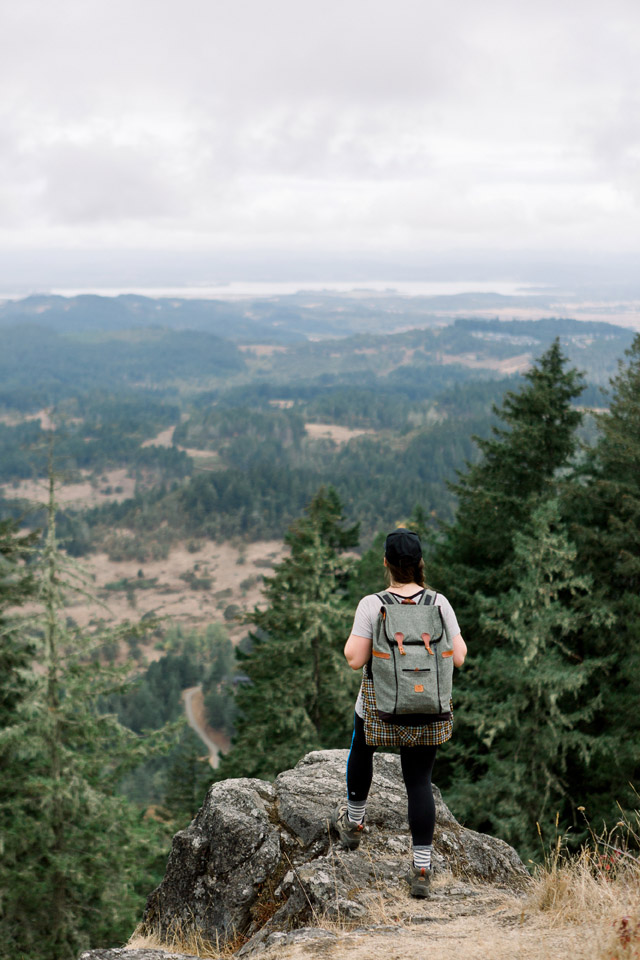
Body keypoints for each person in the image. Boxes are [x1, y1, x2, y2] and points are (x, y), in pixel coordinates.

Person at [331, 528, 467, 898]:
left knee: (361, 749)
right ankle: (421, 868)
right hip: (427, 710)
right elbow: (459, 655)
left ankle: (354, 825)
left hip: (381, 710)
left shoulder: (372, 604)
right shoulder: (439, 603)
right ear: (420, 564)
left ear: (386, 563)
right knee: (419, 782)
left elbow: (353, 658)